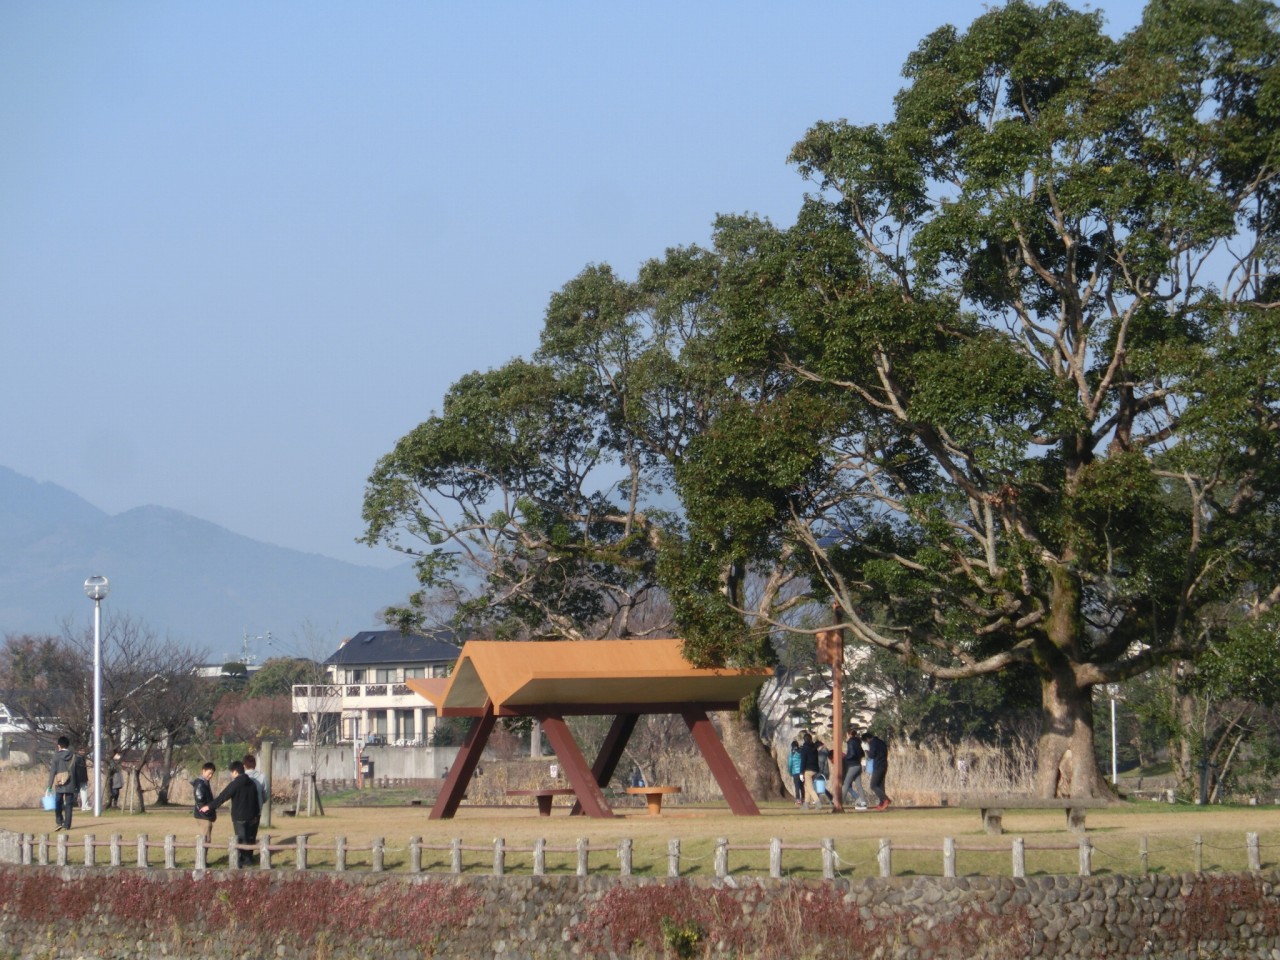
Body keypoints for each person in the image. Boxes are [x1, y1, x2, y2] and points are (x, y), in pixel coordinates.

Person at [201, 760, 261, 866]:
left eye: (231, 772)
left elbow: (223, 796)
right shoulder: (252, 783)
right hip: (252, 816)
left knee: (241, 839)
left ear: (235, 772)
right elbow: (256, 800)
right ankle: (249, 859)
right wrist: (256, 814)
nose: (231, 774)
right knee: (249, 838)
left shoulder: (236, 783)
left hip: (239, 816)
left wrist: (209, 806)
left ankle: (243, 861)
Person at [46, 736, 80, 831]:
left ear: (59, 745)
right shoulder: (73, 756)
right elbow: (77, 772)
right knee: (69, 804)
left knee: (58, 803)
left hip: (59, 783)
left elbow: (52, 771)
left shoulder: (56, 756)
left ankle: (59, 821)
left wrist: (49, 786)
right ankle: (67, 825)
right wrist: (77, 786)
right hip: (71, 782)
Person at [862, 729, 891, 810]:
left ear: (867, 738)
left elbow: (871, 755)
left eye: (866, 742)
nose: (867, 743)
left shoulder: (873, 743)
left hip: (878, 765)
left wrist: (867, 752)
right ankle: (882, 803)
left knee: (873, 785)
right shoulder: (881, 742)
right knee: (881, 785)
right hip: (884, 764)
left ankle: (885, 799)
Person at [799, 731, 828, 810]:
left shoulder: (804, 749)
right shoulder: (814, 748)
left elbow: (803, 761)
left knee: (810, 788)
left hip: (807, 771)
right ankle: (806, 804)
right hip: (815, 770)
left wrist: (801, 773)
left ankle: (818, 802)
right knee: (807, 786)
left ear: (804, 740)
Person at [192, 762, 217, 844]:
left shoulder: (205, 783)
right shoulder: (200, 784)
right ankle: (202, 856)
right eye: (209, 773)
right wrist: (207, 811)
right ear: (203, 771)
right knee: (206, 839)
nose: (210, 776)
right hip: (203, 815)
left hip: (204, 814)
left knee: (207, 837)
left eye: (212, 774)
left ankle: (203, 855)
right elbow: (199, 799)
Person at [842, 725, 867, 808]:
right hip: (858, 765)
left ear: (849, 735)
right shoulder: (858, 742)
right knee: (859, 784)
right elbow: (862, 753)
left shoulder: (851, 742)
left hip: (852, 765)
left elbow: (851, 754)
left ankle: (840, 802)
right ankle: (863, 801)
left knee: (846, 783)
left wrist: (846, 758)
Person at [787, 740, 805, 806]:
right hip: (801, 772)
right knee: (802, 786)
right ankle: (803, 799)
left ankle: (798, 800)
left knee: (797, 787)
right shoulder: (801, 752)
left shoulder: (792, 754)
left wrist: (790, 772)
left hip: (795, 772)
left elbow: (790, 764)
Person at [76, 747, 91, 811]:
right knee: (78, 792)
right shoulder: (77, 758)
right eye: (81, 751)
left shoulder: (82, 758)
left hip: (83, 778)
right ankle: (84, 805)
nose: (83, 752)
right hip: (78, 778)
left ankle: (84, 805)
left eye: (83, 751)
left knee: (84, 792)